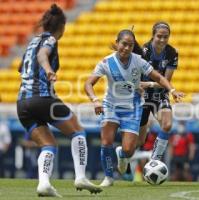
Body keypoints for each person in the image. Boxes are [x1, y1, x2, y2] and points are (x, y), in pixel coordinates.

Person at [16, 4, 102, 197]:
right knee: (78, 131)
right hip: (42, 97)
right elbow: (42, 55)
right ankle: (80, 176)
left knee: (48, 144)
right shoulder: (50, 40)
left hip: (22, 104)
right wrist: (48, 70)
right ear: (62, 26)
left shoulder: (31, 41)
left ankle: (44, 184)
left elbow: (22, 68)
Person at [84, 29, 184, 187]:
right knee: (106, 141)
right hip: (111, 105)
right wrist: (95, 100)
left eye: (130, 45)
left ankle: (122, 155)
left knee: (130, 149)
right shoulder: (106, 62)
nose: (126, 48)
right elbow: (88, 83)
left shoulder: (139, 61)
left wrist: (171, 90)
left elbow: (158, 77)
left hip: (132, 108)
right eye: (124, 44)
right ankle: (109, 177)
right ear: (117, 43)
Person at [138, 21, 178, 161]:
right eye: (159, 36)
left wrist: (147, 84)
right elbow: (135, 79)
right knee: (139, 142)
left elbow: (165, 82)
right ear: (153, 36)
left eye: (165, 37)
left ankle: (154, 160)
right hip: (141, 98)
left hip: (159, 96)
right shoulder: (143, 51)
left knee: (167, 125)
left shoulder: (172, 53)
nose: (162, 40)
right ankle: (122, 154)